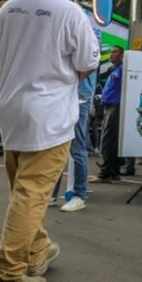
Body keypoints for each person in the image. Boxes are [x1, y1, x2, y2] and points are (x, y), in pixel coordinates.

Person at [0, 0, 100, 282]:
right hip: (50, 116)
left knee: (22, 190)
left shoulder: (7, 10)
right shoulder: (71, 12)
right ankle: (6, 275)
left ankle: (38, 250)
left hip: (11, 111)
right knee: (33, 194)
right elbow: (87, 62)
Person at [56, 67, 97, 212]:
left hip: (79, 98)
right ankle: (52, 194)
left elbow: (90, 65)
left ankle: (79, 195)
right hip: (66, 95)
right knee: (57, 146)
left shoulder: (89, 43)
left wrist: (66, 76)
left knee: (77, 148)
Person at [92, 47, 125, 182]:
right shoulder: (114, 69)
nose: (112, 54)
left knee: (107, 140)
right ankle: (113, 172)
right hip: (109, 107)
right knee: (111, 141)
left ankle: (105, 173)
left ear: (122, 55)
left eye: (115, 52)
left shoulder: (123, 69)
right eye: (111, 52)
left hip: (115, 107)